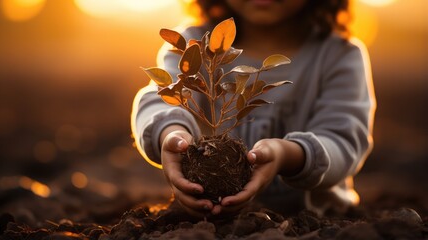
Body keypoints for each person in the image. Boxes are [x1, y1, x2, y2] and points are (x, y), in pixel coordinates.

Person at [131, 0, 376, 217]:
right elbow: (160, 98)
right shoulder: (197, 46)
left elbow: (343, 141)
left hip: (317, 223)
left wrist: (285, 154)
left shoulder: (339, 55)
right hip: (209, 220)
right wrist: (170, 134)